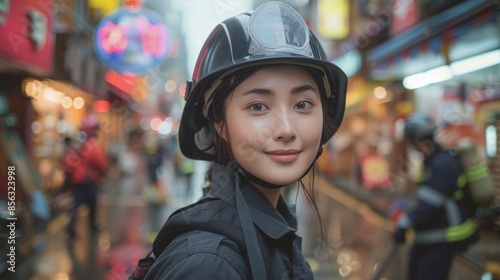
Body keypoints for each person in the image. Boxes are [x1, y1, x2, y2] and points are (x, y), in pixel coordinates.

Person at [142, 2, 347, 279]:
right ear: (220, 124)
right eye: (258, 106)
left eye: (303, 104)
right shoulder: (208, 265)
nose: (286, 129)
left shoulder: (273, 224)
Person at [393, 113, 478, 280]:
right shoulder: (434, 161)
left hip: (440, 239)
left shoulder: (442, 164)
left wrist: (404, 224)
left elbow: (428, 205)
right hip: (430, 238)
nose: (412, 147)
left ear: (418, 141)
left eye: (411, 143)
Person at [63, 114, 109, 238]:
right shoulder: (93, 144)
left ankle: (71, 224)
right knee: (92, 203)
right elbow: (100, 162)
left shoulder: (78, 142)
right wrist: (104, 172)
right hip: (89, 180)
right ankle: (92, 225)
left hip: (77, 179)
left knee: (76, 203)